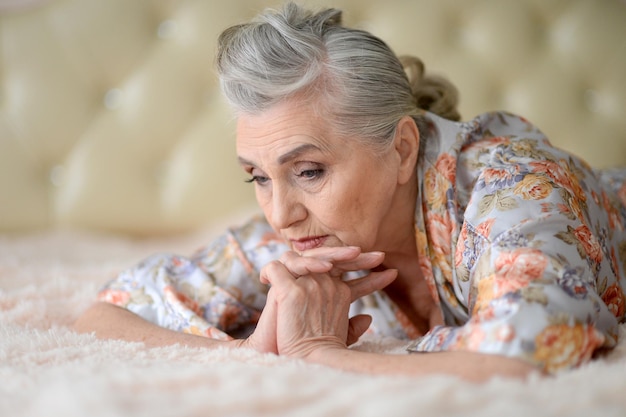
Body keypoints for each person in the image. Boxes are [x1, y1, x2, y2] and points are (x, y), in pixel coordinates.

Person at [74, 2, 626, 381]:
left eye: (309, 170)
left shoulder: (516, 189)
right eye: (259, 177)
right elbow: (109, 314)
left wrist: (316, 354)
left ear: (403, 149)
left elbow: (526, 357)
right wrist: (252, 352)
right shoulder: (299, 238)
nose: (281, 214)